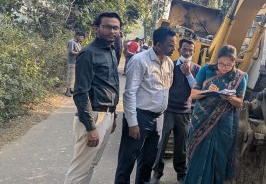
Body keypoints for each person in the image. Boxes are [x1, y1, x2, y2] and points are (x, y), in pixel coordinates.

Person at [64, 12, 122, 184]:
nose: (112, 31)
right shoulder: (88, 53)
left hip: (107, 115)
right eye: (107, 27)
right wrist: (90, 127)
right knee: (79, 169)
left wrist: (113, 116)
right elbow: (81, 93)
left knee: (91, 165)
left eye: (115, 28)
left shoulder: (111, 50)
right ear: (97, 28)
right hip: (94, 116)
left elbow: (111, 85)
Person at [114, 27, 176, 184]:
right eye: (170, 44)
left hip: (158, 118)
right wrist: (132, 123)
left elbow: (166, 89)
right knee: (128, 159)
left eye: (174, 44)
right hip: (139, 117)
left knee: (148, 160)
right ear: (158, 44)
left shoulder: (169, 63)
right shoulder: (139, 61)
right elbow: (129, 93)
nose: (174, 48)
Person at [184, 45, 248, 184]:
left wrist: (229, 98)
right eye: (221, 64)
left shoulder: (239, 77)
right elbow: (193, 94)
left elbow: (240, 102)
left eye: (228, 65)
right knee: (198, 154)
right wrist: (207, 91)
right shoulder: (206, 70)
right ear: (217, 60)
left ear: (234, 63)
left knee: (219, 156)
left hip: (224, 123)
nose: (224, 68)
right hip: (201, 118)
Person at [151, 39, 201, 183]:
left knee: (182, 146)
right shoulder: (170, 65)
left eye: (191, 50)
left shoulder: (197, 69)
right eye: (185, 49)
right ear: (179, 49)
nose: (188, 53)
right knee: (161, 143)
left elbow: (196, 89)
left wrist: (188, 74)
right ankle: (157, 173)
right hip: (168, 110)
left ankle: (181, 174)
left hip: (185, 112)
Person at [65, 31, 85, 97]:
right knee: (70, 77)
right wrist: (79, 53)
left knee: (74, 77)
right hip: (72, 62)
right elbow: (70, 52)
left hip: (76, 62)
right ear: (77, 35)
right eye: (81, 37)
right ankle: (67, 91)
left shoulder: (78, 43)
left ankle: (71, 90)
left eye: (82, 37)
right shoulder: (71, 42)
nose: (81, 38)